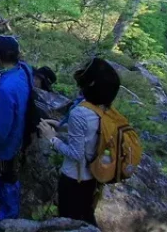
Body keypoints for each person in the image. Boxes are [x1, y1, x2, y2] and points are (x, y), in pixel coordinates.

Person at [39, 57, 121, 223]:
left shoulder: (80, 112)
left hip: (73, 179)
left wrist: (52, 138)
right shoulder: (102, 107)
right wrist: (60, 126)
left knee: (69, 220)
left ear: (90, 84)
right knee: (84, 217)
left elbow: (76, 154)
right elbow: (89, 134)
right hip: (91, 177)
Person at [0, 35, 31, 220]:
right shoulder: (23, 70)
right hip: (19, 135)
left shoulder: (6, 89)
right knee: (1, 170)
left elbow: (0, 127)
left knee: (6, 174)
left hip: (7, 144)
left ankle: (8, 215)